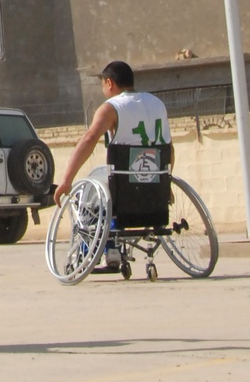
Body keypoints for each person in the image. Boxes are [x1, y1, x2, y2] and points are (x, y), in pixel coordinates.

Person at [53, 61, 172, 269]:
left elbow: (89, 139)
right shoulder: (157, 104)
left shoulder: (111, 108)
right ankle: (111, 247)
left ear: (109, 83)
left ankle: (100, 249)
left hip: (123, 188)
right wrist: (166, 183)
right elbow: (168, 148)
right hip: (154, 186)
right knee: (111, 188)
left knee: (89, 193)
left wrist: (66, 181)